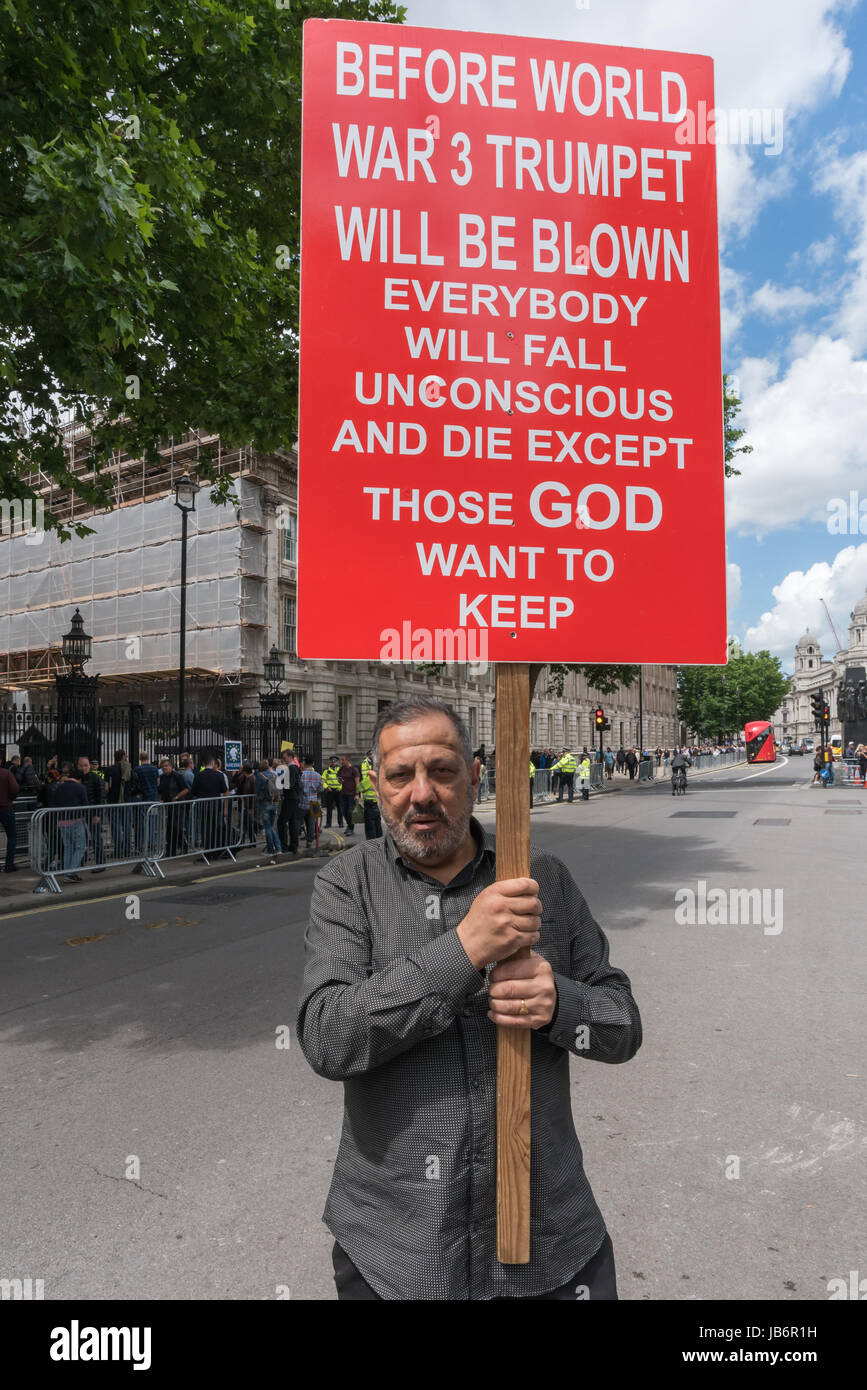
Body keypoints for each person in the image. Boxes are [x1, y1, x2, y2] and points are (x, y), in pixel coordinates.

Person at [297, 696, 642, 1301]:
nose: (421, 794)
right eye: (401, 775)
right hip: (397, 1253)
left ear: (476, 776)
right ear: (376, 786)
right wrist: (463, 951)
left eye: (443, 771)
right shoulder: (346, 884)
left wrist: (561, 1004)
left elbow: (622, 1025)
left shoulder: (542, 878)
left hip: (552, 1247)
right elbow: (329, 1038)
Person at [51, 764, 89, 880]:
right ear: (80, 779)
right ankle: (70, 873)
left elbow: (55, 802)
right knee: (80, 847)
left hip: (62, 822)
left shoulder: (60, 787)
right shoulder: (80, 787)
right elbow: (85, 805)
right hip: (76, 821)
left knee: (68, 847)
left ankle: (67, 872)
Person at [75, 755, 106, 871]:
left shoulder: (96, 778)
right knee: (80, 840)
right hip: (79, 814)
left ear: (89, 766)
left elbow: (101, 797)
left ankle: (101, 864)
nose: (83, 768)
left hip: (92, 813)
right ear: (78, 766)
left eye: (85, 765)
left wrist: (98, 814)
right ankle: (80, 862)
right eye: (81, 766)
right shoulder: (77, 778)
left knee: (96, 839)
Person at [158, 757, 188, 856]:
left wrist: (176, 797)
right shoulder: (162, 777)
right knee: (169, 828)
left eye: (166, 766)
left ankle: (182, 846)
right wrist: (160, 799)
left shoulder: (177, 776)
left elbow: (186, 789)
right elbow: (160, 790)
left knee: (175, 827)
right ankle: (171, 851)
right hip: (167, 806)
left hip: (177, 806)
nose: (164, 767)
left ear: (171, 766)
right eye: (163, 766)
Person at [255, 759, 282, 858]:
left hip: (265, 802)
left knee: (268, 827)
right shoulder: (274, 774)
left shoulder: (259, 776)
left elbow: (256, 790)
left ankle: (271, 850)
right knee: (271, 826)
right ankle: (278, 848)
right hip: (275, 802)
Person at [276, 750, 302, 852]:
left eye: (285, 757)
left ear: (291, 757)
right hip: (295, 797)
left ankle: (284, 846)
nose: (284, 759)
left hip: (290, 798)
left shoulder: (291, 768)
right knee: (293, 822)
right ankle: (294, 845)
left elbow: (289, 784)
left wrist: (281, 781)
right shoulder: (295, 767)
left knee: (281, 822)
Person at [0, 760, 20, 873]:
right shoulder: (6, 773)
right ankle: (9, 864)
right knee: (12, 836)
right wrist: (10, 798)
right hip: (6, 807)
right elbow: (15, 789)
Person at [300, 757, 323, 846]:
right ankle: (310, 841)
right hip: (314, 802)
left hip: (302, 802)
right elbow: (321, 789)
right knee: (312, 822)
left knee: (300, 821)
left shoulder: (301, 774)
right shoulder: (318, 775)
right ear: (313, 763)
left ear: (304, 763)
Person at [359, 753, 382, 839]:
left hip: (370, 805)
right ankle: (379, 843)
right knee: (378, 825)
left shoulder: (369, 779)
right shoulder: (381, 778)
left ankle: (372, 845)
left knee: (370, 826)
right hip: (378, 805)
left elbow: (359, 787)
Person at [337, 754, 360, 836]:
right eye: (341, 760)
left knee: (350, 812)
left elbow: (357, 783)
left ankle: (351, 828)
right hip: (343, 793)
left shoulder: (354, 770)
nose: (341, 762)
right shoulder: (342, 769)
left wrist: (357, 794)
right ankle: (349, 825)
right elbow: (339, 777)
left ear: (348, 760)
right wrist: (339, 780)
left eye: (343, 760)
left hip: (351, 794)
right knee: (344, 811)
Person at [322, 757, 343, 828]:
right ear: (330, 762)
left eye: (335, 762)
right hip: (330, 791)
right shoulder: (326, 771)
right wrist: (327, 787)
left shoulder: (340, 770)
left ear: (337, 762)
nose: (333, 763)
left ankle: (341, 823)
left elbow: (343, 780)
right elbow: (322, 780)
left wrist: (340, 787)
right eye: (332, 762)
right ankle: (328, 823)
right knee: (329, 808)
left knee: (340, 807)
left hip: (338, 790)